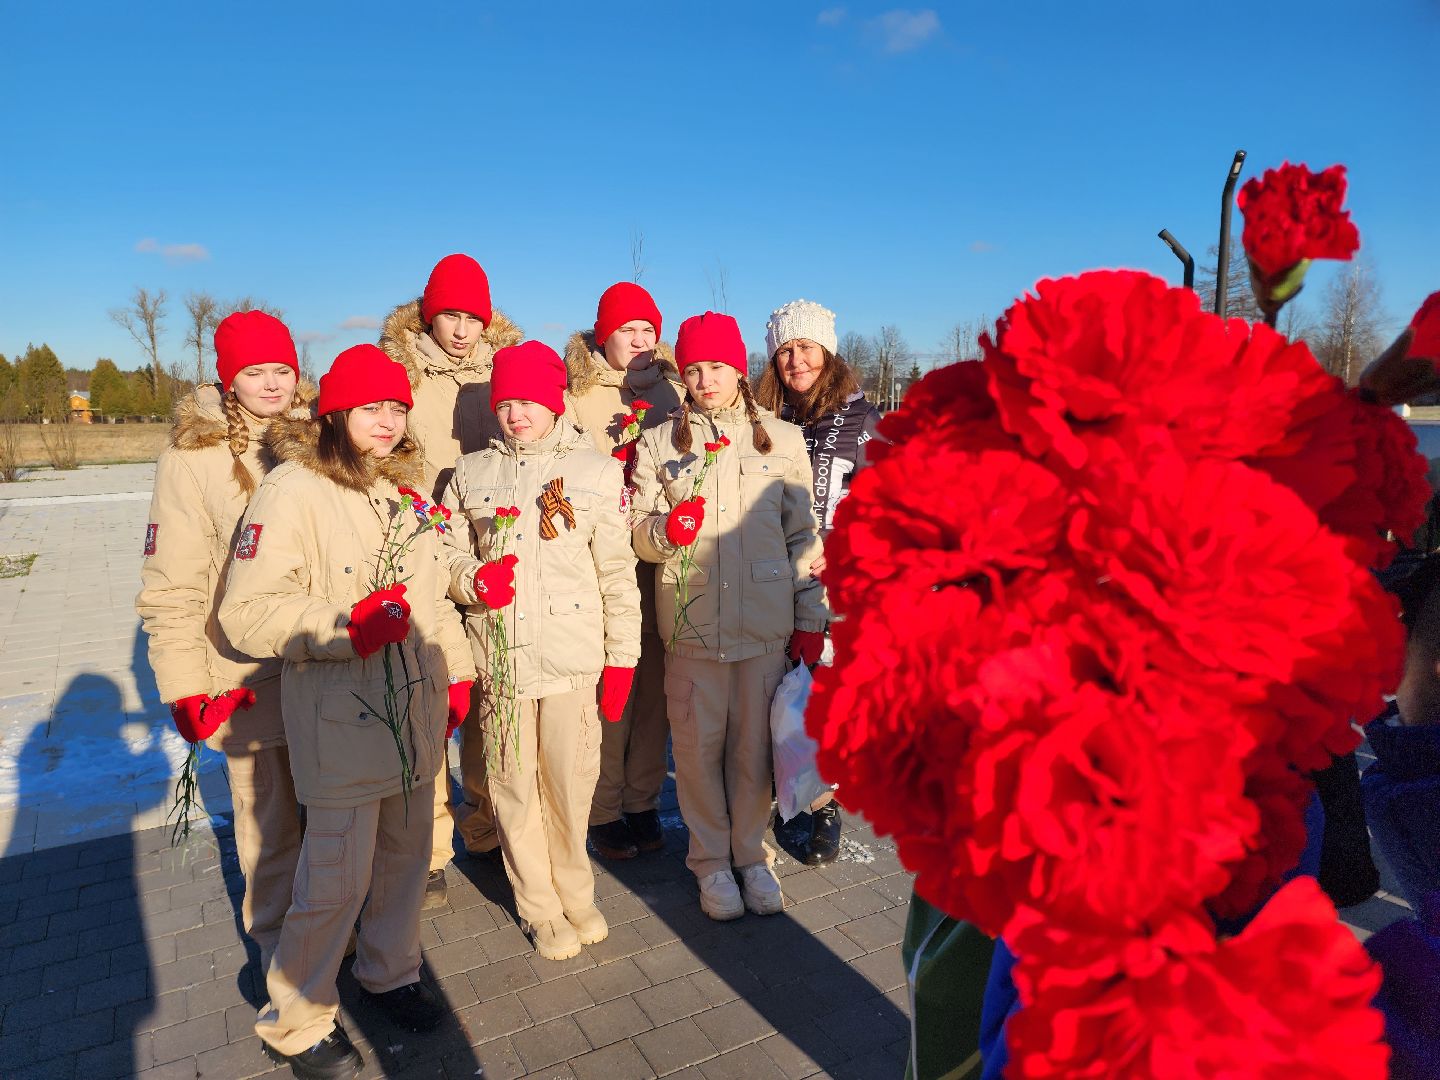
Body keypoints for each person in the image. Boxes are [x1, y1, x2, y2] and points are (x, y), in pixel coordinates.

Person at [220, 344, 476, 1079]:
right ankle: (296, 1021)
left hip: (414, 719)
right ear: (335, 412)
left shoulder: (402, 491)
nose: (389, 420)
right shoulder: (294, 491)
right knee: (332, 880)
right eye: (372, 407)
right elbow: (247, 613)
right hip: (341, 724)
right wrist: (344, 629)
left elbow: (427, 602)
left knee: (401, 865)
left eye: (397, 406)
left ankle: (388, 974)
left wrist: (453, 676)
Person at [440, 341, 641, 959]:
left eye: (530, 401)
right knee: (513, 786)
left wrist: (621, 659)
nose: (518, 414)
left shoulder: (594, 471)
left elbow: (615, 573)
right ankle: (538, 904)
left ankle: (576, 891)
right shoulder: (468, 476)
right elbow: (443, 558)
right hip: (500, 660)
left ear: (554, 404)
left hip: (571, 660)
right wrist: (472, 579)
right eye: (507, 403)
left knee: (569, 783)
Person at [630, 311, 828, 920]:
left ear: (738, 370)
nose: (705, 379)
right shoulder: (659, 441)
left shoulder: (781, 440)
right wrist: (666, 528)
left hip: (764, 630)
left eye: (717, 366)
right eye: (692, 369)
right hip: (692, 630)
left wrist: (810, 619)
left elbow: (804, 538)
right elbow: (636, 535)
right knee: (695, 752)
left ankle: (750, 855)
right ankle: (710, 862)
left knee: (751, 753)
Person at [136, 310, 307, 972]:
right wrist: (183, 686)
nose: (271, 384)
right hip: (244, 673)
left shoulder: (321, 438)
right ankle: (279, 957)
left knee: (330, 819)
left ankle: (333, 941)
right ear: (227, 379)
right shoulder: (193, 459)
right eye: (254, 371)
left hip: (321, 662)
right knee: (268, 828)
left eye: (282, 370)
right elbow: (171, 583)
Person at [379, 253, 524, 904]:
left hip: (494, 549)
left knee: (489, 701)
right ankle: (430, 848)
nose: (462, 329)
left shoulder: (508, 371)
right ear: (428, 315)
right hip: (427, 551)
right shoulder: (400, 373)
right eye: (450, 316)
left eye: (473, 316)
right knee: (431, 703)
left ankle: (486, 825)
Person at [755, 298, 881, 865]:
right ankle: (781, 794)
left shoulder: (865, 420)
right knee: (778, 695)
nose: (794, 360)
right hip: (768, 578)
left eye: (805, 347)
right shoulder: (767, 421)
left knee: (820, 696)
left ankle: (823, 800)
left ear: (827, 352)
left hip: (841, 587)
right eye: (784, 349)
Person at [564, 282, 683, 860]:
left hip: (658, 557)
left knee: (655, 689)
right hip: (600, 561)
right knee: (612, 687)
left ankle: (641, 799)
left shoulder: (675, 393)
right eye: (627, 332)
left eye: (647, 332)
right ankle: (603, 806)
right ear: (602, 335)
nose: (639, 343)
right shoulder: (575, 394)